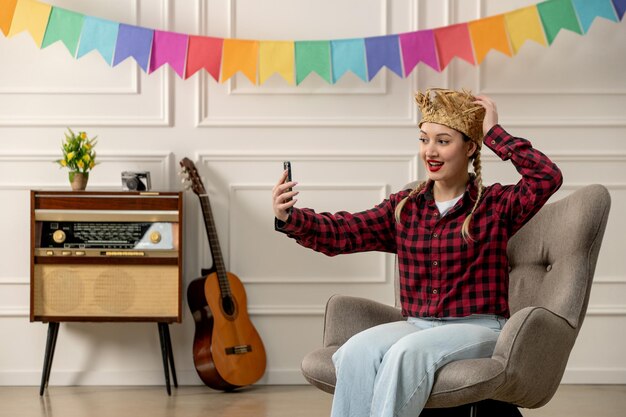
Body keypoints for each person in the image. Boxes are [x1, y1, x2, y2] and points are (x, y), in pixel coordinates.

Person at [271, 89, 563, 417]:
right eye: (424, 139)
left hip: (481, 328)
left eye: (443, 141)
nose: (430, 151)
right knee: (356, 352)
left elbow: (547, 177)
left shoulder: (495, 205)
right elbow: (346, 231)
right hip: (418, 324)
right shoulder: (405, 207)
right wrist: (291, 218)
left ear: (469, 147)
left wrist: (495, 134)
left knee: (406, 354)